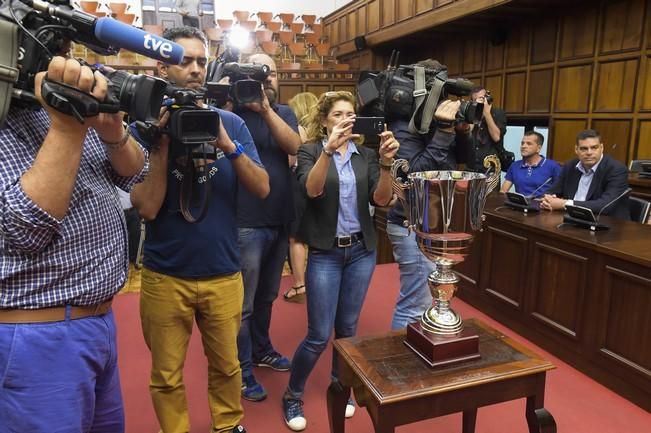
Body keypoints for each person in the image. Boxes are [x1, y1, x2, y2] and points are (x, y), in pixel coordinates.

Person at [130, 27, 269, 433]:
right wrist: (162, 143)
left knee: (227, 367)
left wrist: (228, 144)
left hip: (223, 272)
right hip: (165, 273)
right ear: (162, 65)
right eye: (184, 60)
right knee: (167, 375)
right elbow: (148, 207)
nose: (194, 69)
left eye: (201, 61)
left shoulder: (230, 123)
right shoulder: (145, 127)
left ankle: (228, 426)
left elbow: (262, 188)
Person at [0, 54, 148, 431]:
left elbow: (135, 176)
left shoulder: (63, 101)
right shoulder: (9, 110)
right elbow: (25, 231)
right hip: (39, 333)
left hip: (97, 322)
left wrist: (114, 133)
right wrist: (66, 130)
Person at [282, 91, 399, 431]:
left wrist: (387, 163)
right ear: (324, 121)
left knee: (347, 330)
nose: (345, 119)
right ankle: (292, 394)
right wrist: (329, 150)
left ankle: (341, 386)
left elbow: (380, 200)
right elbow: (312, 190)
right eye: (337, 115)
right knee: (319, 334)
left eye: (350, 114)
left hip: (361, 251)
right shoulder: (309, 151)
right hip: (326, 253)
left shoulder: (366, 155)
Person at [234, 53, 302, 402]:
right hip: (245, 221)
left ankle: (261, 350)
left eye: (271, 73)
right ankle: (242, 370)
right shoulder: (230, 111)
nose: (267, 80)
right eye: (259, 74)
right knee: (243, 305)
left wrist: (265, 109)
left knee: (267, 297)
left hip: (279, 218)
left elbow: (294, 146)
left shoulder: (284, 112)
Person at [386, 97, 464, 330]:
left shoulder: (443, 129)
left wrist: (462, 132)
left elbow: (467, 162)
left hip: (436, 222)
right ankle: (401, 363)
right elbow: (416, 176)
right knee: (414, 306)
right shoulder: (403, 127)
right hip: (411, 224)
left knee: (422, 303)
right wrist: (443, 131)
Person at [541, 129, 630, 219]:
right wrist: (548, 200)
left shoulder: (616, 169)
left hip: (607, 223)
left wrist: (565, 204)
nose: (589, 153)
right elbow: (553, 191)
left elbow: (604, 205)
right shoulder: (570, 166)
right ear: (576, 149)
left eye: (594, 148)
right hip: (573, 219)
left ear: (602, 148)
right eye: (584, 149)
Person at [284, 91, 318, 302]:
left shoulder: (296, 131)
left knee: (295, 238)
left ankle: (299, 285)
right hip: (319, 187)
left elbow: (289, 162)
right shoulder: (320, 132)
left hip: (298, 187)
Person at [500, 130, 560, 197]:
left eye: (529, 144)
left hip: (542, 205)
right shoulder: (515, 166)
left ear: (538, 148)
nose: (523, 146)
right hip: (519, 205)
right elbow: (503, 191)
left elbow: (560, 192)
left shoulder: (552, 166)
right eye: (522, 143)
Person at [462, 86, 508, 173]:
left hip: (490, 169)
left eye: (482, 98)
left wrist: (486, 113)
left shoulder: (498, 113)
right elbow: (467, 132)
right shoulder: (470, 114)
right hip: (471, 168)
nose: (480, 102)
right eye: (475, 100)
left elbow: (496, 137)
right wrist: (475, 112)